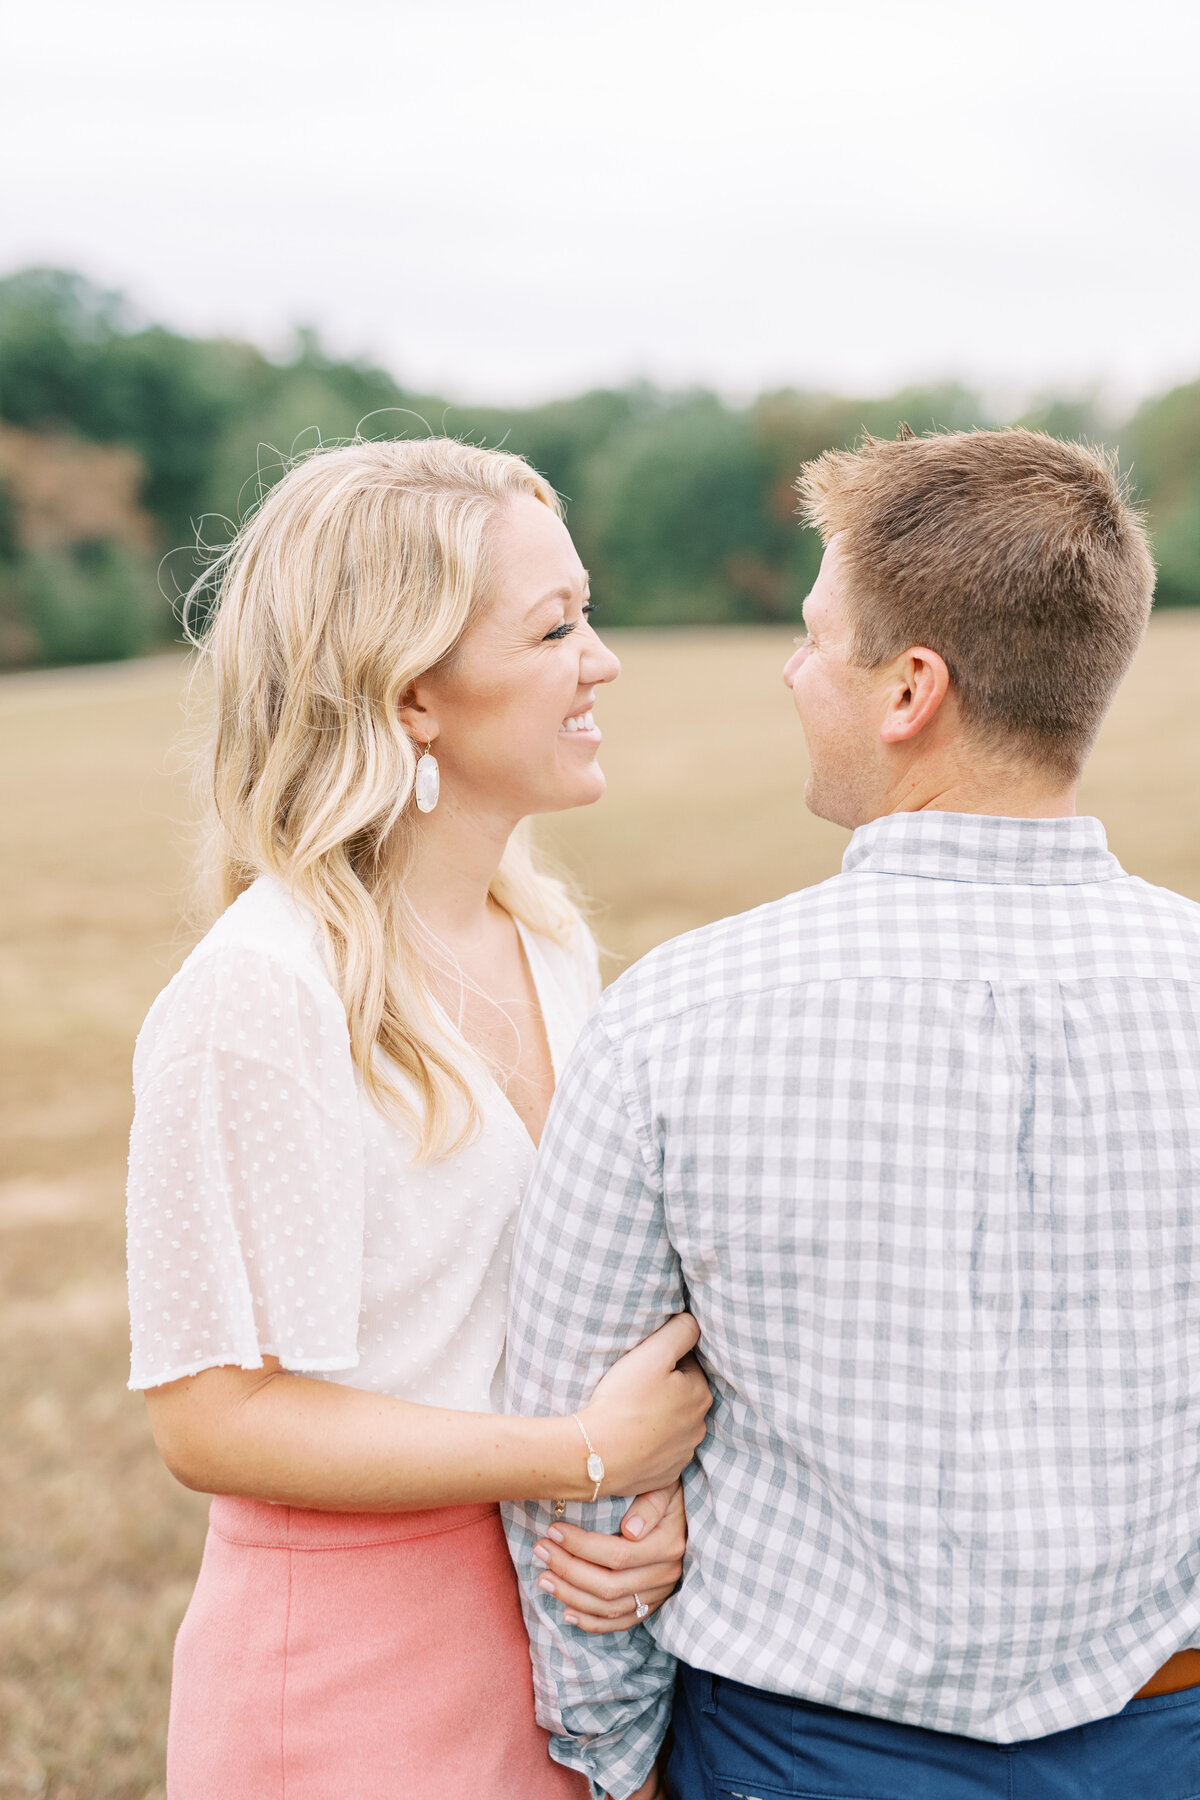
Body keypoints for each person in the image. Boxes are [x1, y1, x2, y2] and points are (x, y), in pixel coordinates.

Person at [504, 427, 1200, 1800]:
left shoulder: (680, 1015)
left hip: (794, 1754)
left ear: (910, 691)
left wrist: (614, 1753)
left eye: (821, 637)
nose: (792, 667)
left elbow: (575, 1463)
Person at [124, 438, 710, 1800]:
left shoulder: (548, 940)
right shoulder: (259, 998)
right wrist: (575, 1455)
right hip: (350, 1676)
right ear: (414, 696)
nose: (601, 659)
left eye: (590, 613)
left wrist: (637, 1501)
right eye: (556, 626)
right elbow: (212, 1419)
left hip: (557, 1633)